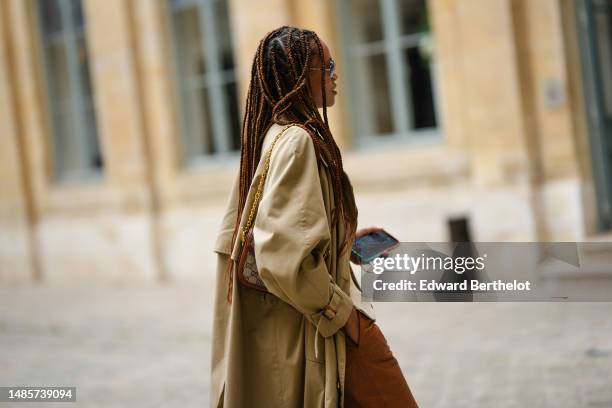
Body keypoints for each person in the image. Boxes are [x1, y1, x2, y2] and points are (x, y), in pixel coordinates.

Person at [210, 26, 417, 407]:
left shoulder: (269, 135)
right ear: (301, 75)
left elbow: (276, 231)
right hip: (325, 328)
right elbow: (282, 256)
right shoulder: (299, 141)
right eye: (327, 66)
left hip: (304, 329)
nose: (335, 75)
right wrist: (347, 320)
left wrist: (341, 243)